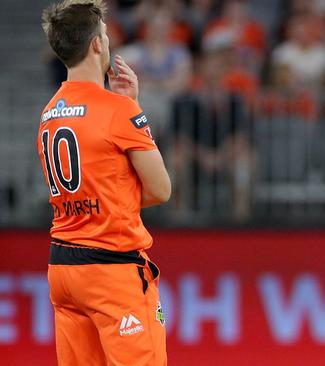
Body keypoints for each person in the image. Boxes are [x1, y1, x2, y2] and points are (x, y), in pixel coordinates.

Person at [38, 1, 171, 365]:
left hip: (64, 271)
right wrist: (135, 107)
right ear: (97, 44)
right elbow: (161, 190)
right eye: (107, 37)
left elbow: (88, 187)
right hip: (111, 270)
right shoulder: (118, 109)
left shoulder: (49, 112)